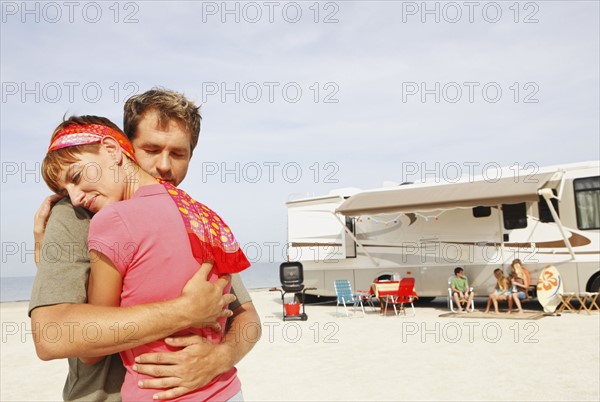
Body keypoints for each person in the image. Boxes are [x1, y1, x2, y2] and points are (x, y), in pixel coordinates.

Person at [30, 89, 261, 401]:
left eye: (178, 154)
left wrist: (219, 358)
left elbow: (247, 317)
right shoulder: (74, 214)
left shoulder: (193, 217)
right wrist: (184, 311)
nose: (164, 166)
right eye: (151, 149)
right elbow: (51, 335)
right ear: (124, 148)